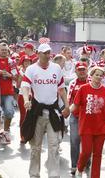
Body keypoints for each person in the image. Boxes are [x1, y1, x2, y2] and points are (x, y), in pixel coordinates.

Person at [21, 43, 70, 178]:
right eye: (45, 53)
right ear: (38, 54)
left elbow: (61, 88)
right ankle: (34, 174)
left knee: (54, 146)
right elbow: (25, 85)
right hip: (37, 112)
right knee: (35, 147)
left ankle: (54, 175)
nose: (48, 55)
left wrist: (66, 105)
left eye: (49, 53)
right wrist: (26, 100)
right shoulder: (31, 69)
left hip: (53, 112)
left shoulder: (56, 68)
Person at [71, 66, 105, 178]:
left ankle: (95, 176)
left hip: (101, 126)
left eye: (101, 75)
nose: (99, 77)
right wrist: (65, 112)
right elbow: (75, 105)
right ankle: (80, 168)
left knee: (97, 154)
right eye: (96, 74)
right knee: (86, 151)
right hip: (86, 126)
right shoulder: (83, 88)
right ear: (91, 76)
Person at [67, 61, 89, 175]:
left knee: (87, 142)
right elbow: (69, 99)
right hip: (75, 117)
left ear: (87, 70)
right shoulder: (72, 83)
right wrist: (67, 111)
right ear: (75, 71)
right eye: (79, 70)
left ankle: (86, 162)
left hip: (89, 118)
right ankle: (74, 165)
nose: (81, 71)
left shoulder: (92, 82)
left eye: (83, 69)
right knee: (74, 141)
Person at [17, 55, 32, 143]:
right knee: (23, 116)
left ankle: (30, 134)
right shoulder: (21, 72)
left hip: (32, 96)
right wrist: (23, 78)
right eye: (25, 61)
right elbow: (18, 85)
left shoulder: (33, 71)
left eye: (28, 61)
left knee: (32, 116)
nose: (27, 63)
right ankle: (22, 135)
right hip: (22, 95)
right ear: (22, 63)